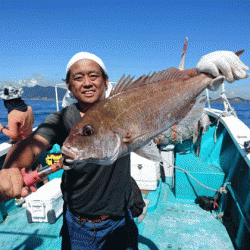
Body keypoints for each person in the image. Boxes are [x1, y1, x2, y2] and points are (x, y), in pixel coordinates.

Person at [0, 50, 248, 250]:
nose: (87, 82)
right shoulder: (62, 118)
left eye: (93, 76)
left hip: (120, 217)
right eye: (78, 77)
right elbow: (34, 145)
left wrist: (204, 72)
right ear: (68, 85)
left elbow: (165, 86)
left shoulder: (122, 102)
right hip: (79, 226)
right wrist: (11, 169)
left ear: (106, 81)